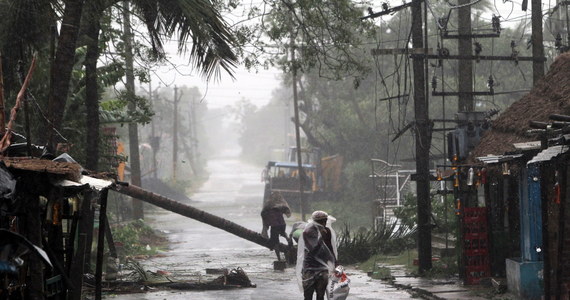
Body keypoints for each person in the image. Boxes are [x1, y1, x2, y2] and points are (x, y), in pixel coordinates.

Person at [296, 210, 337, 300]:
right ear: (315, 222)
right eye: (321, 221)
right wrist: (320, 237)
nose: (323, 223)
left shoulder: (327, 231)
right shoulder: (308, 232)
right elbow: (313, 249)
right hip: (309, 267)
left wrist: (335, 263)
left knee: (321, 294)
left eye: (325, 221)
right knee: (308, 295)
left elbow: (329, 248)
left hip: (322, 267)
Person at [261, 191, 292, 261]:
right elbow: (286, 210)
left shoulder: (268, 205)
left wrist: (265, 227)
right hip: (282, 224)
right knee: (283, 233)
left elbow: (263, 213)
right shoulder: (280, 206)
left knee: (275, 243)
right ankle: (288, 238)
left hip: (275, 226)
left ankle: (279, 259)